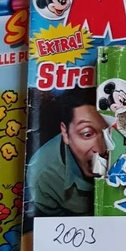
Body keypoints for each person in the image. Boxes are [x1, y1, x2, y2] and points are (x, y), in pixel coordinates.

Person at [26, 87, 108, 218]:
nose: (100, 149)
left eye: (109, 132)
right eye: (87, 134)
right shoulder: (43, 176)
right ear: (65, 133)